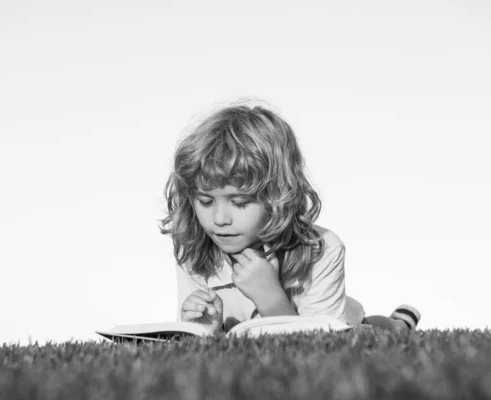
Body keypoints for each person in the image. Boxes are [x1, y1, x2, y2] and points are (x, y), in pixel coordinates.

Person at [159, 100, 421, 334]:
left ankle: (399, 322)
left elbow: (322, 349)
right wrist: (199, 327)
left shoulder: (324, 249)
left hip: (346, 325)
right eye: (205, 201)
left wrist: (272, 300)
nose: (219, 219)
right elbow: (201, 342)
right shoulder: (193, 249)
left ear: (277, 196)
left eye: (239, 202)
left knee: (380, 331)